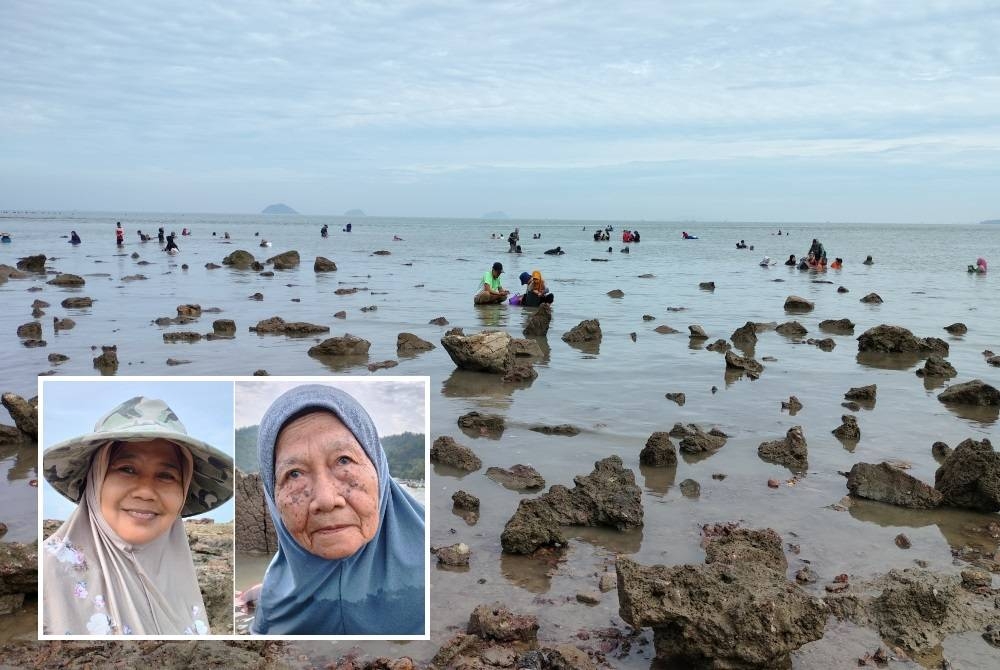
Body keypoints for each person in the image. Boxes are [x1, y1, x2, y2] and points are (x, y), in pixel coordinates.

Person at [41, 396, 233, 635]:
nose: (145, 492)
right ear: (95, 479)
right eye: (127, 469)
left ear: (182, 491)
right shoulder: (44, 577)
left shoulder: (180, 576)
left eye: (166, 476)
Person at [249, 384, 425, 635]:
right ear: (272, 493)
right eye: (294, 473)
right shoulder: (274, 596)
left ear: (379, 469)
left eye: (344, 460)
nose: (326, 499)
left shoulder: (440, 570)